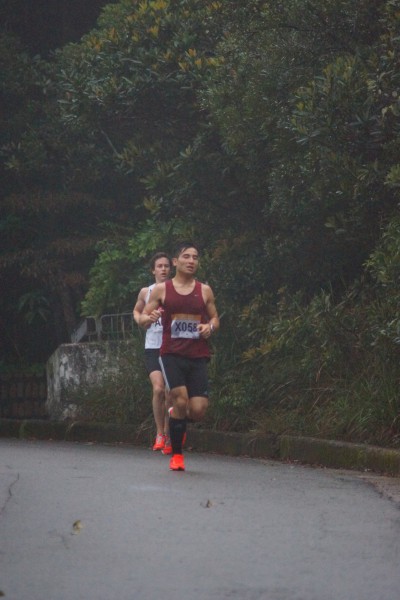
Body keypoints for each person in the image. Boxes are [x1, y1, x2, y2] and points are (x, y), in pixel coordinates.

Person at [142, 241, 220, 471]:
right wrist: (150, 317)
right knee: (180, 399)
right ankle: (177, 456)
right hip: (171, 354)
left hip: (197, 355)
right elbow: (144, 317)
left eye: (195, 257)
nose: (191, 261)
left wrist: (210, 328)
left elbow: (215, 318)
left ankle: (175, 416)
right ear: (176, 261)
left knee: (198, 409)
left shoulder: (204, 290)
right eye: (186, 256)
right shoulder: (162, 290)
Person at [133, 252, 173, 454]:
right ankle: (159, 433)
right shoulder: (146, 292)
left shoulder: (176, 291)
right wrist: (146, 319)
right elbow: (137, 312)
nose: (163, 269)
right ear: (153, 270)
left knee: (169, 392)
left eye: (166, 266)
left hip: (171, 347)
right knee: (158, 389)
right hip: (152, 347)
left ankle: (168, 433)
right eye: (160, 266)